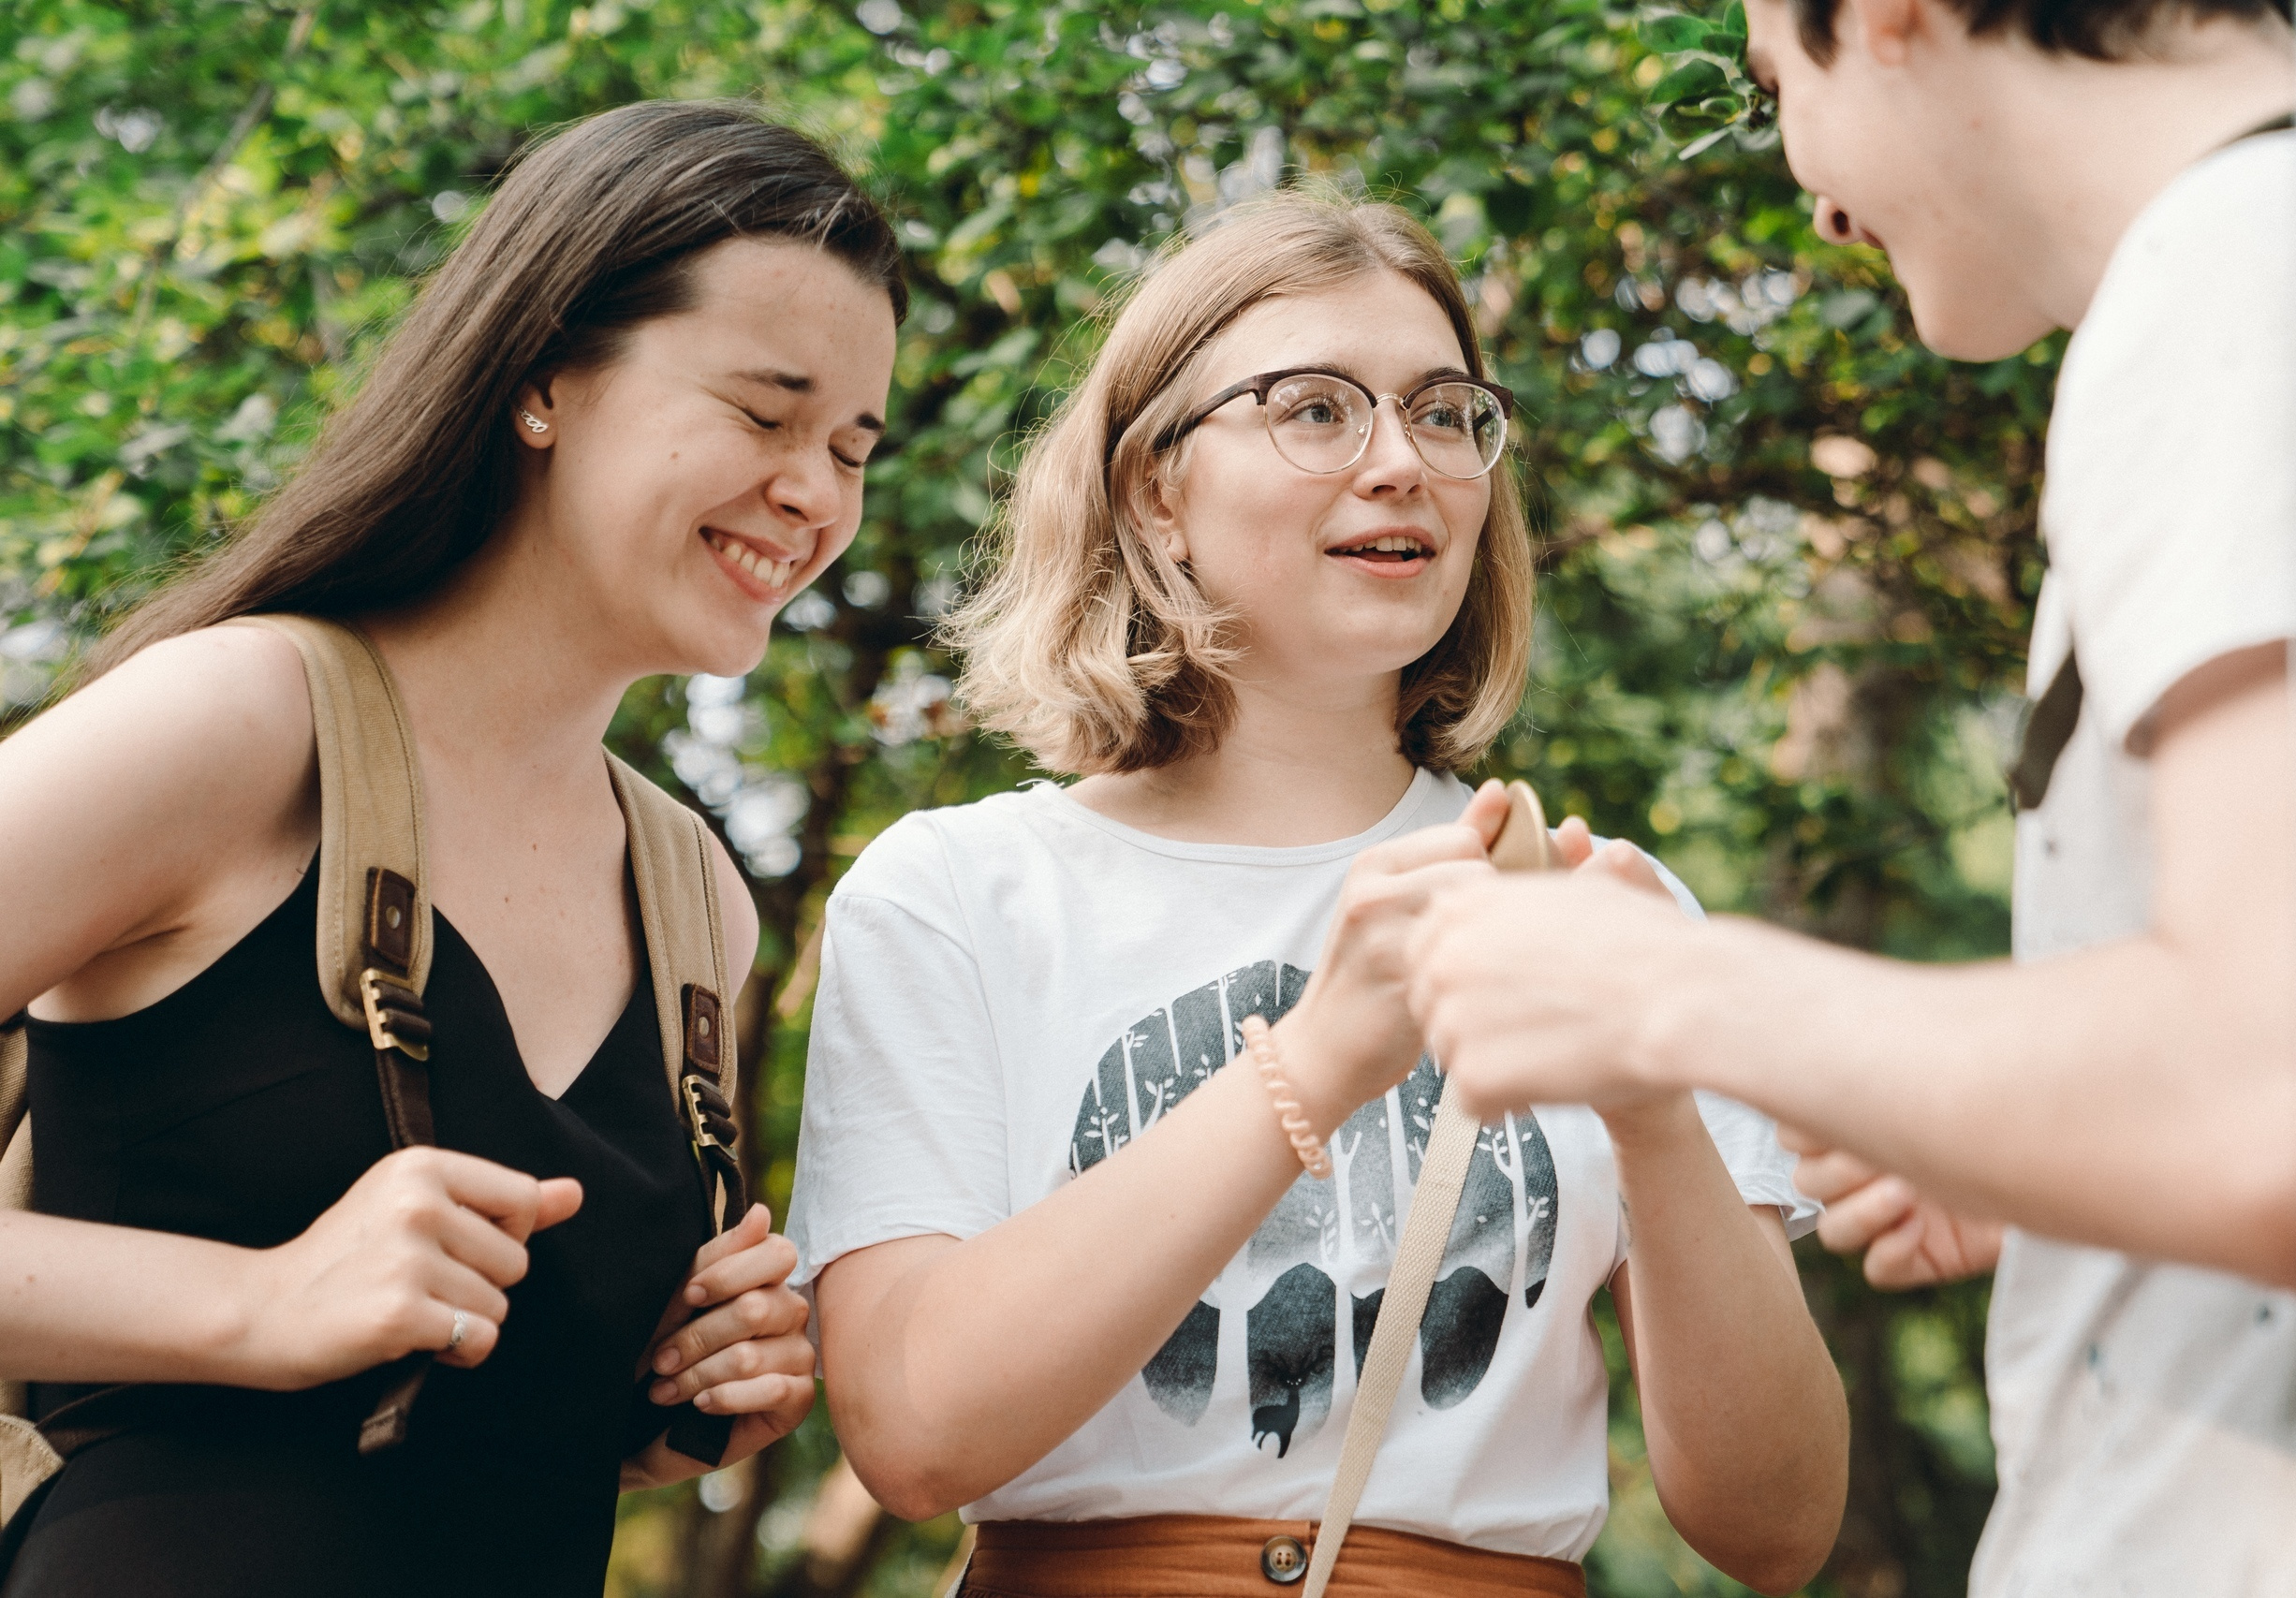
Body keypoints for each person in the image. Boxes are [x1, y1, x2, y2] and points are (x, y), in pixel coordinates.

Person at [788, 192, 1847, 1597]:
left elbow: (1775, 1528)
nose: (1403, 462)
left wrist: (1651, 1098)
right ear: (1156, 487)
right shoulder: (958, 895)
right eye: (1315, 410)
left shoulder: (1604, 915)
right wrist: (1313, 1063)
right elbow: (913, 1439)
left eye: (1447, 412)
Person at [1407, 0, 2296, 1592]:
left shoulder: (2233, 274)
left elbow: (2281, 1107)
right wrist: (2034, 1119)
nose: (1813, 198)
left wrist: (1669, 992)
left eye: (1777, 87)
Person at [0, 100, 902, 1596]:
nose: (816, 493)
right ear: (545, 377)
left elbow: (459, 1413)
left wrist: (667, 1393)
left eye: (853, 447)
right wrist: (256, 1303)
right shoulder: (242, 722)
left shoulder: (698, 906)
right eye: (764, 412)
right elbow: (301, 1325)